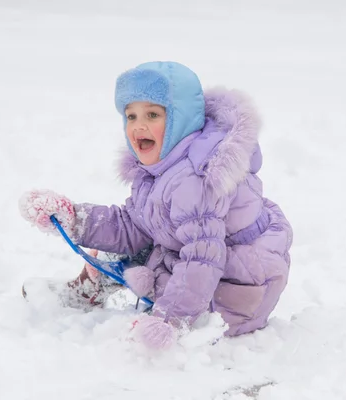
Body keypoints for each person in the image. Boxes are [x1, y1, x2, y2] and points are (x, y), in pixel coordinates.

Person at [19, 61, 293, 350]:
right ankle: (90, 287)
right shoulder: (165, 166)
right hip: (211, 268)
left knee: (148, 262)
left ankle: (155, 306)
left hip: (236, 293)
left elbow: (201, 260)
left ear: (181, 118)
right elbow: (134, 224)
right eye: (131, 116)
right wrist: (73, 217)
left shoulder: (194, 178)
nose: (139, 126)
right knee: (127, 246)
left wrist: (169, 320)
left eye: (153, 114)